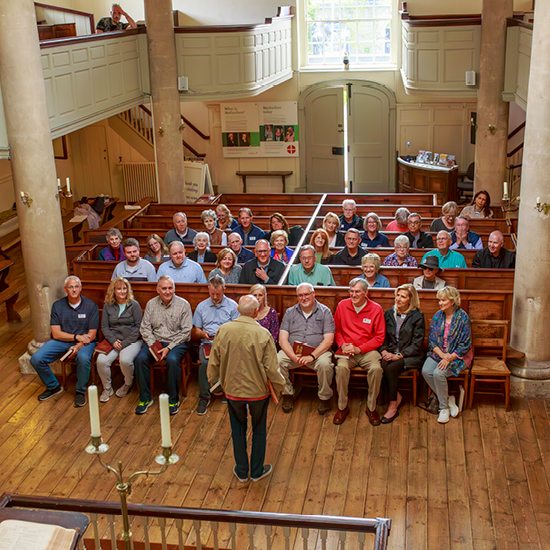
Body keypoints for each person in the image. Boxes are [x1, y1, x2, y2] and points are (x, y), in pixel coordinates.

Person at [207, 294, 285, 483]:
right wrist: (280, 388)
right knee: (259, 429)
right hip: (258, 392)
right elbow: (272, 369)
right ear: (256, 312)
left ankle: (242, 471)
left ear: (237, 310)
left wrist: (214, 384)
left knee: (237, 428)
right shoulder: (263, 334)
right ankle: (257, 471)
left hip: (232, 391)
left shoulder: (223, 330)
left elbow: (213, 362)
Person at [30, 276, 98, 408]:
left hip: (86, 343)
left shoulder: (91, 306)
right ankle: (53, 386)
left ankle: (80, 391)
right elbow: (56, 333)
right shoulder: (58, 306)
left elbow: (91, 334)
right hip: (62, 341)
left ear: (81, 288)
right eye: (70, 287)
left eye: (76, 286)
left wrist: (78, 346)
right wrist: (76, 337)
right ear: (65, 289)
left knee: (83, 358)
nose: (74, 290)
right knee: (36, 358)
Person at [134, 275, 192, 415]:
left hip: (177, 342)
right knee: (140, 359)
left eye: (170, 288)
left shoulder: (183, 305)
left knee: (172, 360)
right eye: (164, 288)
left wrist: (169, 348)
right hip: (155, 341)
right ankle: (145, 398)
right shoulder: (151, 304)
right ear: (158, 289)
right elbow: (145, 328)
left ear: (174, 288)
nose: (167, 291)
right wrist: (153, 345)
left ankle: (173, 399)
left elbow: (186, 332)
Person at [333, 278, 385, 426]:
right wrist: (343, 345)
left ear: (366, 292)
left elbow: (379, 337)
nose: (353, 295)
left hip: (367, 350)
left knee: (376, 370)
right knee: (341, 368)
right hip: (347, 350)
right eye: (351, 291)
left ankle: (371, 407)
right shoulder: (342, 305)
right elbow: (337, 330)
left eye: (357, 292)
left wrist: (360, 349)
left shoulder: (376, 309)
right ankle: (342, 407)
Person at [278, 283, 335, 415]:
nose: (303, 298)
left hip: (318, 353)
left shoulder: (325, 311)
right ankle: (287, 394)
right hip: (294, 352)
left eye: (306, 294)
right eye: (300, 295)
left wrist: (312, 356)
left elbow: (328, 340)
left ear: (313, 294)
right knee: (277, 360)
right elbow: (282, 339)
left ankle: (324, 397)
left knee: (325, 364)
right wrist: (292, 356)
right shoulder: (290, 312)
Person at [422, 287, 472, 424]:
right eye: (439, 300)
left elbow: (465, 345)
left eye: (443, 300)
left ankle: (443, 408)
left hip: (458, 356)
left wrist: (450, 357)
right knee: (426, 371)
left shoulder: (463, 318)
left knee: (439, 373)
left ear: (453, 301)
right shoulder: (438, 316)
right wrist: (443, 355)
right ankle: (448, 398)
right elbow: (432, 341)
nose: (440, 303)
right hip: (440, 353)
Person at [192, 275, 240, 415]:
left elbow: (237, 329)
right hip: (207, 342)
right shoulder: (202, 306)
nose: (215, 297)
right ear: (208, 289)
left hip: (227, 342)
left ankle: (228, 392)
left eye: (218, 294)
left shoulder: (232, 306)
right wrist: (203, 335)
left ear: (224, 289)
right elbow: (196, 330)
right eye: (212, 294)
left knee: (230, 360)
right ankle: (204, 397)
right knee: (206, 363)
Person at [379, 284, 425, 423]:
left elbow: (417, 344)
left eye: (403, 297)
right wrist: (385, 350)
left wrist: (398, 355)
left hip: (412, 355)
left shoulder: (417, 316)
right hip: (392, 351)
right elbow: (384, 336)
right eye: (398, 295)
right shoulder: (389, 313)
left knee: (391, 368)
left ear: (410, 300)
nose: (398, 299)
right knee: (382, 364)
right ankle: (395, 395)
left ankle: (393, 406)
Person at [97, 277, 142, 402]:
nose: (122, 291)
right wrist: (113, 341)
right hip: (113, 340)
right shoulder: (108, 305)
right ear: (113, 291)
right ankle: (107, 388)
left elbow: (139, 327)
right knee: (101, 360)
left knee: (125, 360)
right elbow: (105, 326)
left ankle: (128, 383)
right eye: (119, 289)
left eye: (124, 288)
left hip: (132, 340)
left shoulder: (134, 305)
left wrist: (125, 343)